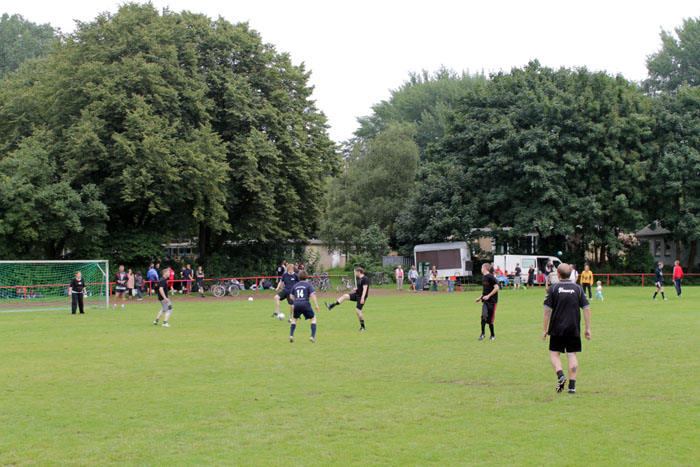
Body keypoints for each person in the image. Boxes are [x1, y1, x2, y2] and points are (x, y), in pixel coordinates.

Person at [542, 263, 591, 394]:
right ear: (571, 274)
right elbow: (586, 309)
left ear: (558, 275)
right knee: (572, 354)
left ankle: (561, 375)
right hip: (573, 327)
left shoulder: (553, 289)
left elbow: (547, 311)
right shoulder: (578, 289)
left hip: (556, 327)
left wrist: (544, 329)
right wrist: (588, 328)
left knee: (554, 354)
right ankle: (572, 387)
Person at [288, 270, 320, 343]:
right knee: (313, 318)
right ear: (307, 276)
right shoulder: (309, 285)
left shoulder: (295, 285)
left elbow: (291, 297)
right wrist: (316, 305)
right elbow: (312, 295)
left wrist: (297, 300)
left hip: (297, 304)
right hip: (305, 304)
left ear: (299, 277)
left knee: (295, 319)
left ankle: (291, 335)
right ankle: (312, 337)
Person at [474, 263, 498, 341]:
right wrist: (479, 298)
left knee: (490, 320)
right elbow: (485, 291)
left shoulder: (491, 277)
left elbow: (496, 288)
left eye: (481, 268)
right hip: (485, 301)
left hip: (492, 302)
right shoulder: (484, 277)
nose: (481, 269)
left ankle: (492, 335)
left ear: (484, 268)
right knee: (483, 316)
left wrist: (488, 296)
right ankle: (482, 334)